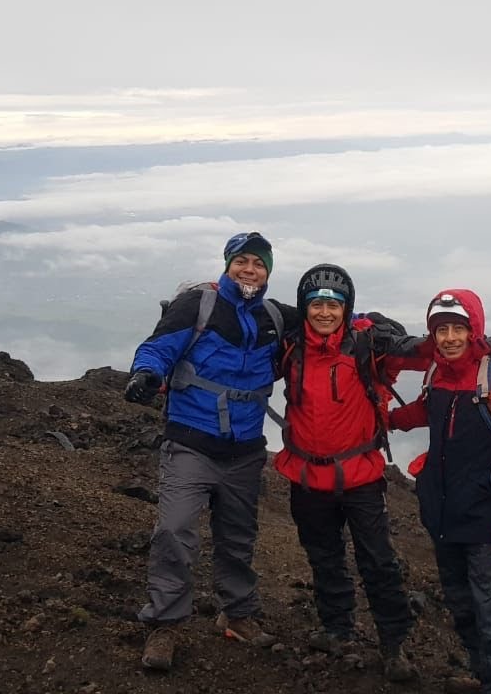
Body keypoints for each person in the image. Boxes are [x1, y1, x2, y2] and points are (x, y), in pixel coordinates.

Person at [123, 231, 300, 670]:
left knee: (237, 538)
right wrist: (146, 374)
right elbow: (158, 347)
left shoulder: (275, 317)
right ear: (227, 264)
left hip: (244, 450)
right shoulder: (197, 306)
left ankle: (237, 614)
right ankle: (165, 624)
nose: (250, 270)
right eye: (242, 261)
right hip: (190, 442)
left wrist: (370, 324)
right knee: (174, 530)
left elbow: (326, 316)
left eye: (258, 264)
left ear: (268, 272)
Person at [272, 264, 428, 682]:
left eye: (333, 305)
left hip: (359, 478)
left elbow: (423, 354)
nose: (324, 312)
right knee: (324, 558)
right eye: (316, 304)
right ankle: (337, 629)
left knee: (378, 561)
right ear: (305, 308)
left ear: (347, 309)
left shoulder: (367, 347)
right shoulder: (290, 348)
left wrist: (467, 339)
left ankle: (394, 644)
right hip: (306, 477)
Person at [390, 289, 491, 694]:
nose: (450, 338)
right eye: (441, 329)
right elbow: (430, 410)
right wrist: (387, 420)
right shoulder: (438, 374)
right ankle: (486, 681)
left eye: (458, 328)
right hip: (444, 519)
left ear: (474, 330)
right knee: (463, 612)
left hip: (486, 524)